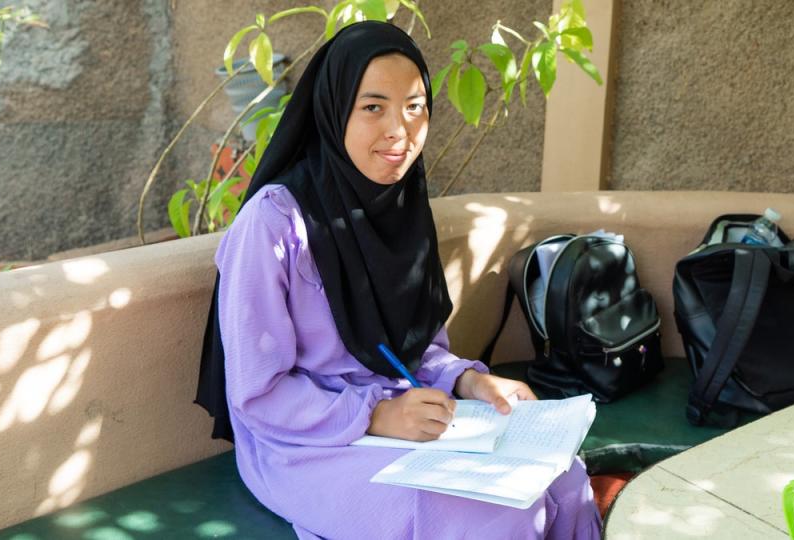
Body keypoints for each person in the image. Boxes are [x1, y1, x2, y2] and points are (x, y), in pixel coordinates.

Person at [195, 20, 602, 539]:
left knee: (563, 478)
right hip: (308, 444)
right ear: (334, 109)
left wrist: (469, 380)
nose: (400, 130)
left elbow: (413, 352)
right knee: (497, 510)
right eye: (373, 107)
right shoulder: (274, 224)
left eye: (415, 107)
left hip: (408, 420)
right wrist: (377, 415)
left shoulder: (402, 209)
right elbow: (258, 395)